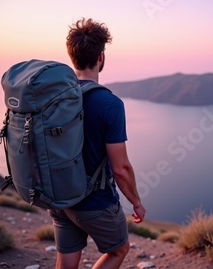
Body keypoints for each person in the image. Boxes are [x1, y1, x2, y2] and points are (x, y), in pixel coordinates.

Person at [47, 18, 146, 269]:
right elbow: (120, 169)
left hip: (59, 196)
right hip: (94, 201)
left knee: (66, 261)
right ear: (101, 57)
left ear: (72, 58)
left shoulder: (55, 98)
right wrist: (136, 202)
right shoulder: (110, 104)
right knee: (119, 249)